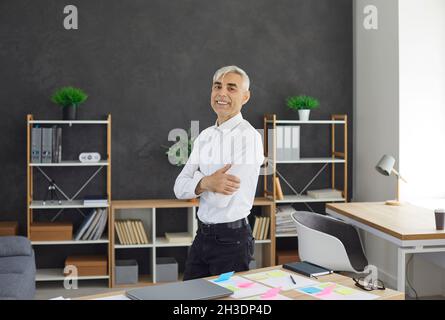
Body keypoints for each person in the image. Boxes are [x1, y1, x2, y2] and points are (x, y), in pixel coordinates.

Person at [174, 65, 264, 280]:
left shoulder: (248, 137)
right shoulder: (205, 135)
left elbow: (220, 200)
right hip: (202, 237)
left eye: (231, 88)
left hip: (231, 242)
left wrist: (196, 183)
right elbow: (178, 188)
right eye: (217, 86)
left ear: (245, 97)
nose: (222, 93)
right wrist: (206, 182)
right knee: (188, 299)